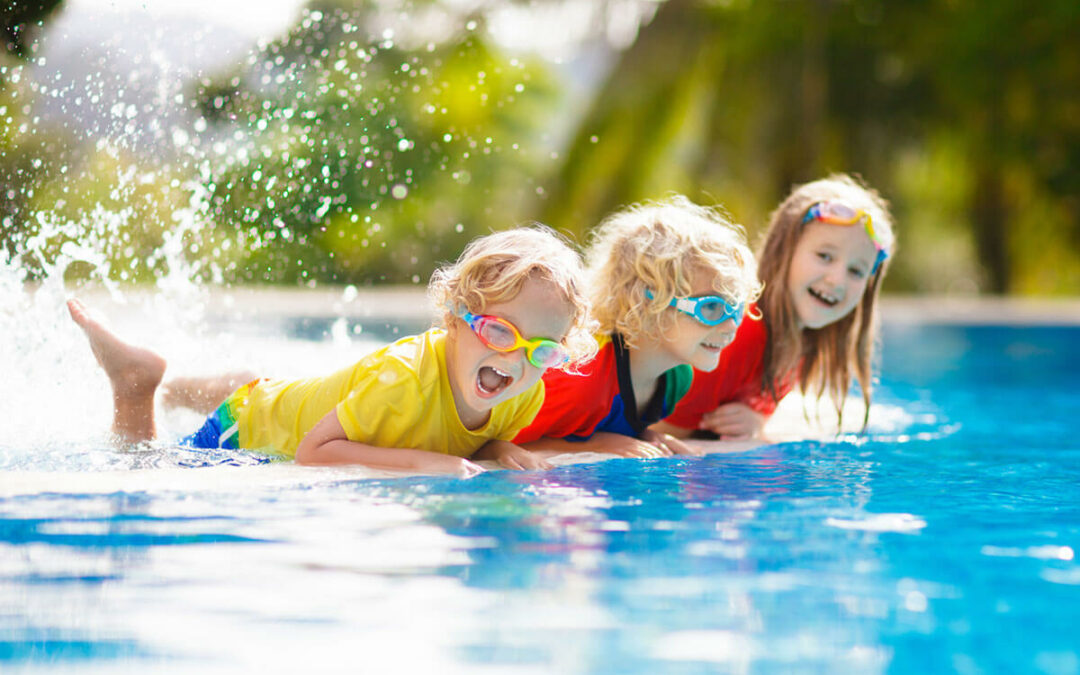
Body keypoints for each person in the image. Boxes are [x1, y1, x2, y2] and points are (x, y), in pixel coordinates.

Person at [67, 227, 598, 476]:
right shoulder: (402, 381)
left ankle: (217, 384)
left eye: (542, 349)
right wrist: (430, 464)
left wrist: (499, 452)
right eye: (500, 332)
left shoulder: (524, 393)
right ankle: (136, 385)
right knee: (143, 474)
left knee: (261, 385)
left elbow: (472, 440)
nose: (515, 360)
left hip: (284, 402)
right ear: (455, 318)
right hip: (254, 432)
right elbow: (312, 454)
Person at [475, 195, 762, 468]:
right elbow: (487, 441)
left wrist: (644, 436)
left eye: (736, 309)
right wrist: (596, 445)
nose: (732, 325)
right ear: (648, 302)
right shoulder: (580, 376)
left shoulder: (676, 379)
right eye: (711, 307)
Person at [653, 173, 896, 441]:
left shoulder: (798, 340)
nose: (837, 279)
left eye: (856, 271)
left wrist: (755, 421)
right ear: (783, 250)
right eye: (824, 256)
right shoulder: (737, 332)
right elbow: (659, 438)